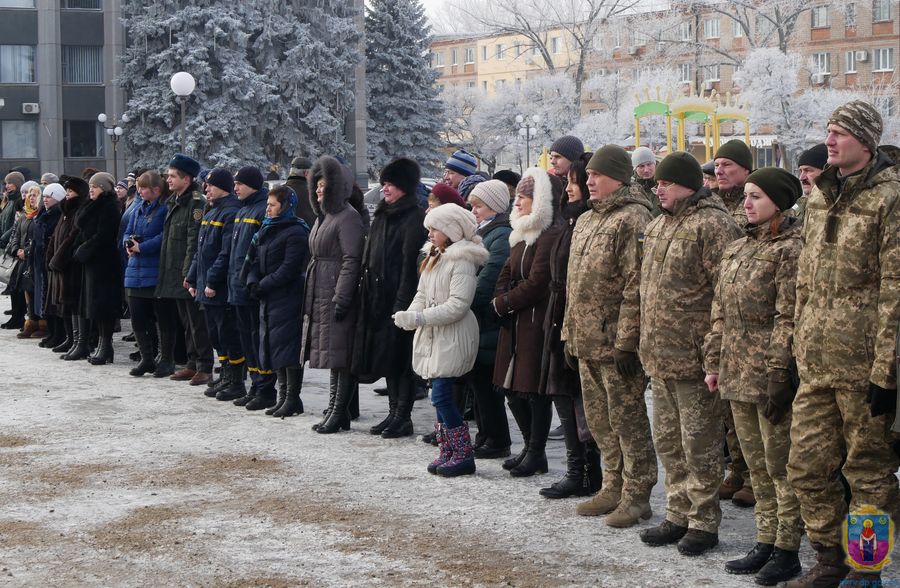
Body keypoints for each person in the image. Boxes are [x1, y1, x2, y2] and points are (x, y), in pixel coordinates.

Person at [786, 100, 900, 588]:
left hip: (865, 368)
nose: (829, 141)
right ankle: (829, 558)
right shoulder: (818, 197)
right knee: (806, 467)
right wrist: (796, 345)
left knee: (868, 474)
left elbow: (897, 287)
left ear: (866, 141)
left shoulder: (891, 197)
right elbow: (804, 282)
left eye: (840, 133)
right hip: (816, 363)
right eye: (828, 131)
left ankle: (866, 566)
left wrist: (888, 372)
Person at [703, 168, 804, 585]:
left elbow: (788, 316)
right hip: (735, 372)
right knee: (756, 467)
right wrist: (713, 361)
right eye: (745, 195)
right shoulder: (739, 247)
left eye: (756, 196)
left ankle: (787, 547)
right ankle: (765, 539)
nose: (747, 203)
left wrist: (779, 370)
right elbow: (720, 310)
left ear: (779, 203)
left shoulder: (791, 249)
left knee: (781, 466)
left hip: (768, 374)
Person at [638, 151, 742, 556]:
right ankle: (677, 513)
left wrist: (714, 356)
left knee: (699, 444)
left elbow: (725, 295)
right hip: (661, 356)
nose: (657, 188)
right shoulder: (660, 224)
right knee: (669, 443)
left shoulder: (713, 225)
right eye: (656, 183)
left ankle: (703, 520)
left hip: (695, 358)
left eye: (665, 182)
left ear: (686, 185)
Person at [562, 146, 657, 525]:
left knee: (627, 420)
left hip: (616, 343)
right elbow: (575, 284)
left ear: (618, 177)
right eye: (588, 176)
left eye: (596, 175)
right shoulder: (586, 220)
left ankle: (637, 494)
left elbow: (636, 285)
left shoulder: (633, 218)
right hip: (586, 341)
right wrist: (570, 333)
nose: (589, 181)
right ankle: (612, 484)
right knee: (600, 422)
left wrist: (627, 342)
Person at [394, 204, 488, 477]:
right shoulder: (434, 256)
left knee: (443, 396)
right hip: (435, 333)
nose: (431, 233)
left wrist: (420, 318)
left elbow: (458, 304)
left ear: (450, 230)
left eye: (435, 228)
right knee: (438, 393)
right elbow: (421, 293)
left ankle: (462, 453)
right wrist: (410, 314)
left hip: (452, 335)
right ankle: (447, 449)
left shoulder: (462, 260)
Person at [538, 152, 602, 500]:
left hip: (577, 321)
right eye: (572, 182)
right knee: (563, 395)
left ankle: (590, 470)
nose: (572, 188)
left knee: (582, 402)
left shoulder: (586, 223)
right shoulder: (570, 222)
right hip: (559, 316)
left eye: (576, 183)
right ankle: (576, 469)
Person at [493, 168, 562, 478]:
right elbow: (507, 271)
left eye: (522, 197)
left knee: (532, 391)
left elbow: (538, 281)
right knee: (510, 389)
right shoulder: (520, 231)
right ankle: (529, 447)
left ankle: (537, 451)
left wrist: (505, 302)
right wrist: (500, 300)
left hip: (535, 321)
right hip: (515, 322)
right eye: (517, 196)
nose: (516, 201)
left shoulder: (549, 234)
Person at [353, 158, 426, 438]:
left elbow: (410, 266)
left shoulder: (413, 218)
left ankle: (402, 416)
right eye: (384, 184)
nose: (385, 189)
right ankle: (393, 412)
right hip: (376, 298)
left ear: (404, 187)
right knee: (387, 360)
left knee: (401, 361)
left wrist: (401, 303)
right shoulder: (383, 215)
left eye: (391, 184)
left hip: (399, 300)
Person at [303, 155, 365, 433]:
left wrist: (342, 296)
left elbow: (353, 259)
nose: (319, 189)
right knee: (332, 355)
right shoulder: (324, 217)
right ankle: (334, 408)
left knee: (341, 354)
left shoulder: (348, 217)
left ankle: (340, 410)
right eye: (316, 185)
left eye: (324, 185)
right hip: (321, 289)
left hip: (336, 291)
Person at [713, 139, 756, 508]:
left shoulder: (759, 201)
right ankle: (738, 470)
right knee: (728, 406)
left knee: (750, 408)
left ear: (745, 168)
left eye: (728, 164)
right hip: (722, 313)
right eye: (717, 164)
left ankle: (755, 480)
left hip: (751, 322)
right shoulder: (717, 205)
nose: (720, 170)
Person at [243, 185, 310, 418]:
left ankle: (292, 398)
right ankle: (283, 397)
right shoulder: (266, 229)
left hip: (288, 297)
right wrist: (252, 281)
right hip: (269, 297)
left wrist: (263, 284)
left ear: (285, 206)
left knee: (288, 349)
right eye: (268, 204)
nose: (268, 209)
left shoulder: (296, 232)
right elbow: (254, 261)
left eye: (272, 205)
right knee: (274, 347)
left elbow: (290, 268)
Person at [465, 180, 513, 459]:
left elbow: (488, 279)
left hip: (487, 320)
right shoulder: (484, 232)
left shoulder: (500, 235)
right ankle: (485, 435)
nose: (473, 211)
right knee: (478, 383)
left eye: (478, 206)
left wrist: (463, 299)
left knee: (486, 383)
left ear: (494, 207)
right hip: (479, 320)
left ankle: (496, 438)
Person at [186, 168, 243, 400]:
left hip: (219, 287)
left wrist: (210, 280)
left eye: (210, 185)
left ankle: (235, 380)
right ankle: (226, 375)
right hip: (206, 285)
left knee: (228, 334)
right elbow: (201, 251)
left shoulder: (230, 212)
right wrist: (191, 276)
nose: (206, 189)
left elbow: (225, 252)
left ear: (223, 187)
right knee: (216, 335)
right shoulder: (211, 212)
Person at [155, 154, 210, 384]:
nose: (168, 180)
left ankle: (205, 366)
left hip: (187, 273)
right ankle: (191, 362)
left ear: (186, 179)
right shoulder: (175, 201)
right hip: (175, 271)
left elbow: (193, 241)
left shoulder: (196, 203)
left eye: (172, 176)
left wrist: (189, 273)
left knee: (197, 323)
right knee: (186, 323)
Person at [227, 166, 272, 409]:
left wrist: (252, 281)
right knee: (247, 339)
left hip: (251, 289)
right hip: (237, 287)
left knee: (257, 339)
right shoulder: (242, 209)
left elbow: (258, 253)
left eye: (240, 184)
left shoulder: (260, 209)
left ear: (252, 185)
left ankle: (264, 387)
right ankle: (255, 384)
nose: (235, 188)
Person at [72, 172, 123, 365]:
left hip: (104, 263)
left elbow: (103, 235)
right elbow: (84, 232)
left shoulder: (109, 207)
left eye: (95, 186)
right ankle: (102, 347)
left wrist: (83, 250)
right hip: (92, 263)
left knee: (104, 307)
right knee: (94, 306)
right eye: (90, 186)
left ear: (105, 188)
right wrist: (78, 248)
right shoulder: (91, 205)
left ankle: (105, 345)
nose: (91, 189)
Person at [122, 171, 168, 377]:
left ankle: (164, 356)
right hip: (135, 269)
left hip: (153, 269)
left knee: (159, 317)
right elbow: (127, 230)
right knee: (138, 317)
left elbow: (164, 236)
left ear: (156, 190)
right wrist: (128, 243)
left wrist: (143, 247)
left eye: (143, 187)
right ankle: (146, 357)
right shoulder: (139, 208)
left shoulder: (164, 208)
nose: (139, 191)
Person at [48, 177, 89, 360]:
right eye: (66, 192)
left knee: (72, 302)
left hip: (70, 263)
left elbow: (71, 238)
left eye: (71, 192)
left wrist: (59, 257)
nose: (67, 195)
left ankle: (78, 340)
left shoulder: (78, 211)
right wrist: (51, 255)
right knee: (63, 303)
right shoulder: (65, 211)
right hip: (60, 264)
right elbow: (57, 235)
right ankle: (70, 338)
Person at [32, 183, 64, 347]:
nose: (45, 199)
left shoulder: (58, 215)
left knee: (53, 299)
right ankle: (52, 332)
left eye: (48, 196)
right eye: (44, 196)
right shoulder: (44, 214)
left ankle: (58, 334)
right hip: (41, 260)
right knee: (46, 299)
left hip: (51, 262)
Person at [8, 182, 41, 338]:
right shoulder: (24, 215)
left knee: (37, 291)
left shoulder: (40, 216)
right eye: (30, 195)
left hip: (33, 259)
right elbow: (16, 235)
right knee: (26, 291)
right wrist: (16, 250)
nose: (32, 198)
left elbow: (38, 240)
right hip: (22, 260)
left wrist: (26, 252)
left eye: (35, 195)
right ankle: (32, 321)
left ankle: (41, 323)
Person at [793, 143, 827, 221]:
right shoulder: (798, 209)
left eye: (808, 170)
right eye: (800, 171)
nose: (801, 178)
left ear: (826, 172)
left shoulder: (837, 209)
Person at [284, 156, 316, 228]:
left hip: (282, 236)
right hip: (307, 236)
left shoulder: (279, 191)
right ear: (306, 173)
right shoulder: (314, 193)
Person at [632, 146, 662, 216]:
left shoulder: (665, 185)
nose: (646, 170)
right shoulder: (630, 189)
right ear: (635, 169)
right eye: (641, 166)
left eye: (649, 164)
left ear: (655, 164)